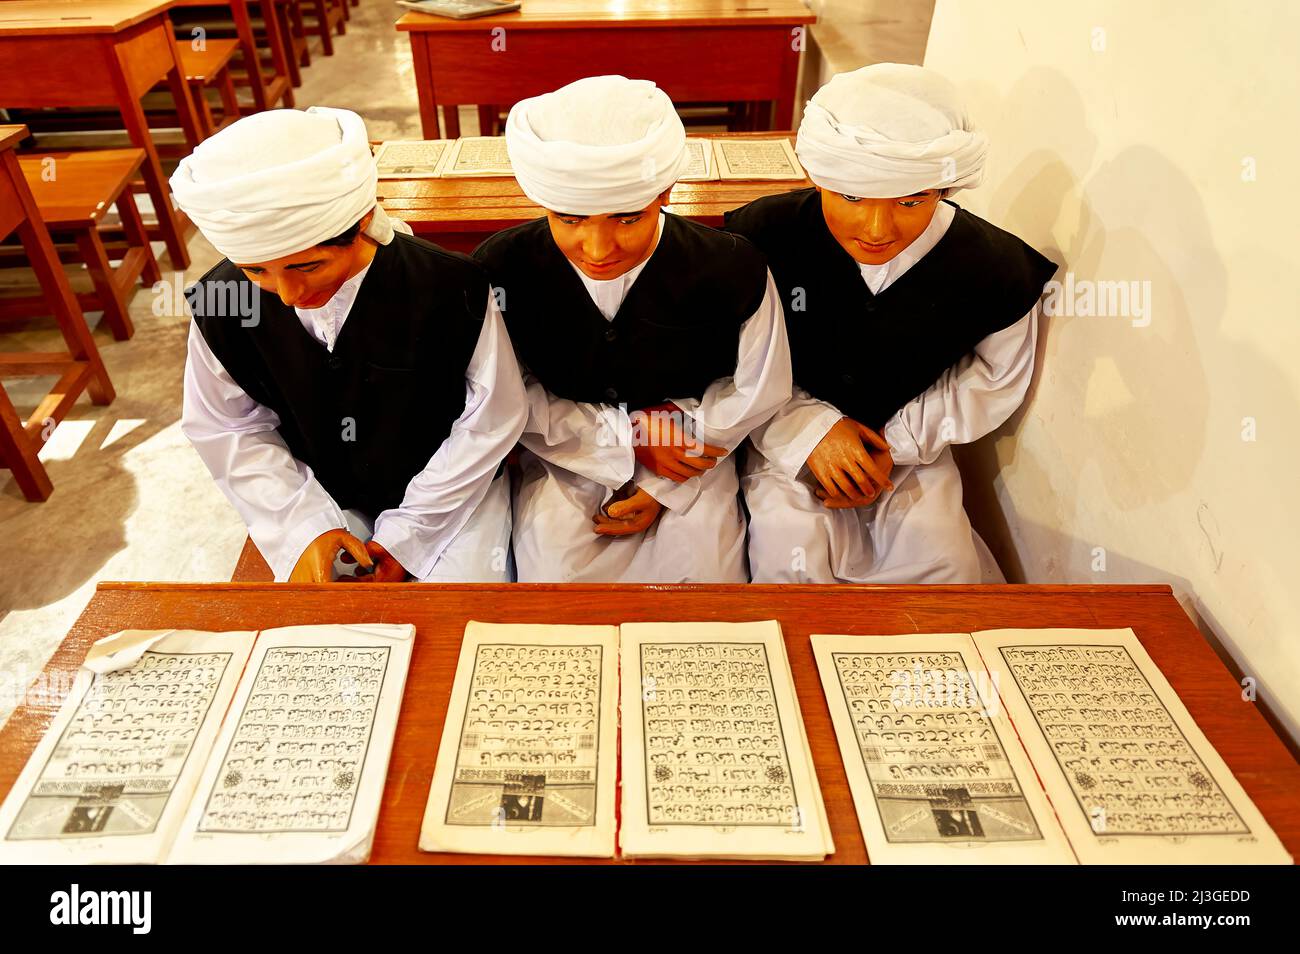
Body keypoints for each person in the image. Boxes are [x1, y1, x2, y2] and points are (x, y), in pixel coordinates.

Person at [725, 64, 1057, 583]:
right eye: (852, 198)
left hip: (913, 457)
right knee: (790, 568)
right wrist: (810, 430)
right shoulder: (761, 235)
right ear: (819, 179)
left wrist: (894, 444)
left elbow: (993, 380)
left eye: (910, 201)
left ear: (944, 188)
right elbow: (733, 356)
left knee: (944, 571)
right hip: (784, 443)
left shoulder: (997, 267)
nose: (877, 229)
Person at [173, 107, 526, 582]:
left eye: (307, 266)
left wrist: (411, 532)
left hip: (451, 496)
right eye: (257, 271)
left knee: (457, 611)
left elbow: (490, 418)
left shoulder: (449, 285)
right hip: (316, 495)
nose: (289, 295)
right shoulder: (224, 301)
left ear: (361, 223)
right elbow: (229, 429)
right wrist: (305, 528)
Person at [473, 75, 792, 582]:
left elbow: (758, 387)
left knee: (706, 585)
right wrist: (625, 437)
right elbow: (504, 394)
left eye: (626, 219)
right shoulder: (501, 268)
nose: (599, 250)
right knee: (555, 585)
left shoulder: (730, 266)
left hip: (696, 451)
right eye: (571, 218)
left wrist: (666, 480)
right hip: (565, 453)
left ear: (664, 192)